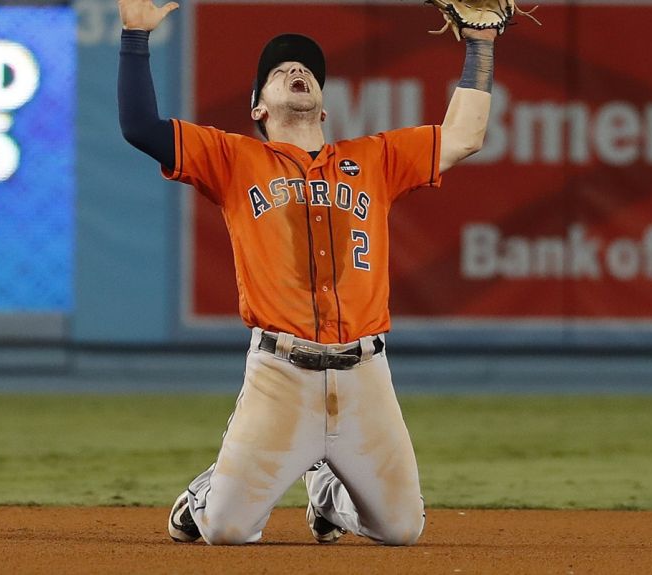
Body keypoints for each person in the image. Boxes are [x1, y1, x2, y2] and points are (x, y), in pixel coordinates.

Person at [117, 0, 496, 546]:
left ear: (322, 108)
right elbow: (140, 127)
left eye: (307, 71)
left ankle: (327, 494)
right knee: (224, 529)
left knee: (402, 529)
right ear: (257, 108)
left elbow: (464, 136)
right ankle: (210, 491)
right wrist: (134, 37)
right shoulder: (233, 159)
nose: (297, 72)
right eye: (279, 71)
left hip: (365, 374)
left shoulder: (374, 159)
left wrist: (481, 46)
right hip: (279, 375)